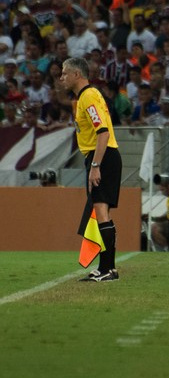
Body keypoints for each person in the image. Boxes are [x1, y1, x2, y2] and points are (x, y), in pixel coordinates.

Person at [60, 57, 122, 282]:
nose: (61, 77)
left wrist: (96, 165)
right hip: (101, 156)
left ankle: (108, 269)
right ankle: (107, 267)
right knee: (101, 211)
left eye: (65, 73)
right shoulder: (87, 96)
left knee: (101, 211)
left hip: (102, 157)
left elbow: (103, 132)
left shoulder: (88, 96)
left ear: (77, 74)